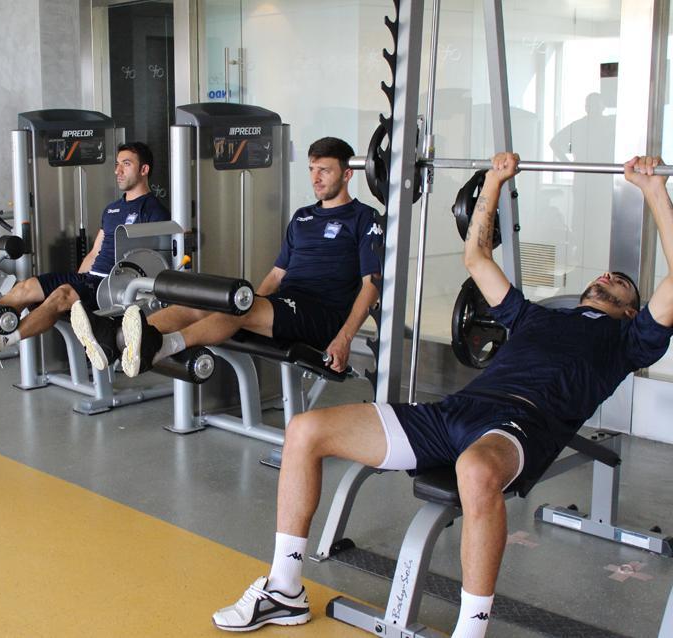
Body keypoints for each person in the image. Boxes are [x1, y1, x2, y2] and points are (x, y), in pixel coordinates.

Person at [210, 153, 673, 637]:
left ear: (632, 309)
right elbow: (477, 259)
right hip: (455, 411)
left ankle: (470, 630)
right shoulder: (535, 316)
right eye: (603, 276)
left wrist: (653, 190)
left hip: (520, 424)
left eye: (621, 283)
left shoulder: (631, 340)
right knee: (305, 429)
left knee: (475, 470)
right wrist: (493, 181)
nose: (607, 278)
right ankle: (284, 589)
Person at [69, 137, 382, 379]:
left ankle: (160, 347)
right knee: (196, 304)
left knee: (237, 306)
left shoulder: (364, 218)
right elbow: (277, 275)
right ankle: (115, 341)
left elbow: (371, 286)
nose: (315, 178)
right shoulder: (302, 217)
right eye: (312, 169)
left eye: (324, 170)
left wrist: (344, 338)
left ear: (347, 174)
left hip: (320, 314)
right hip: (285, 304)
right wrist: (257, 301)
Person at [0, 142, 170, 368]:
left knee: (62, 295)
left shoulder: (153, 211)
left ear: (144, 169)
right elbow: (95, 252)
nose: (118, 170)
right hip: (90, 280)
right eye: (117, 164)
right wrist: (78, 280)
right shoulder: (111, 209)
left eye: (126, 164)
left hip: (113, 288)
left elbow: (154, 262)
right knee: (27, 286)